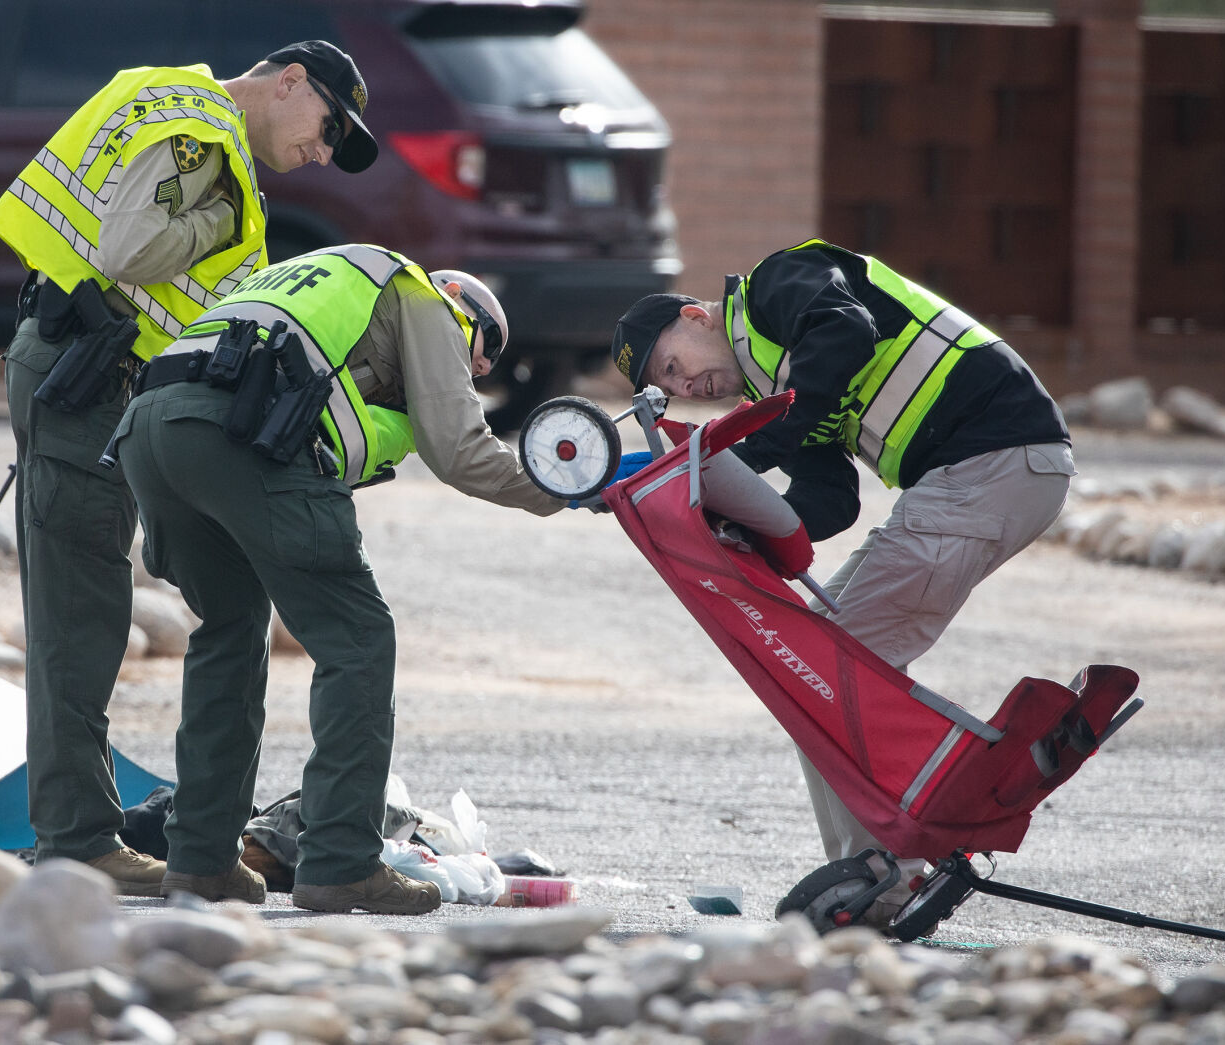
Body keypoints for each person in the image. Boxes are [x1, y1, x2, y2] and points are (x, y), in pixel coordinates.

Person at [0, 41, 379, 895]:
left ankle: (85, 833)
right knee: (81, 615)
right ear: (288, 83)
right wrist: (223, 222)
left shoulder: (150, 91)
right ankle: (79, 841)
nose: (321, 152)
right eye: (327, 127)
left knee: (81, 604)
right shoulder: (204, 136)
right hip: (85, 374)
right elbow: (128, 246)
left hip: (71, 360)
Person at [611, 238, 1075, 926]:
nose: (687, 387)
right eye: (671, 386)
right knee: (812, 668)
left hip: (994, 460)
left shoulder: (777, 283)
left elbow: (845, 330)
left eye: (674, 363)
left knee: (829, 668)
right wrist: (735, 527)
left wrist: (745, 451)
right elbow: (829, 499)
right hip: (979, 474)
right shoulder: (784, 383)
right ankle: (875, 872)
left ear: (696, 315)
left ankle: (884, 876)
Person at [110, 244, 566, 913]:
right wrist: (567, 488)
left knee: (229, 632)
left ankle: (200, 860)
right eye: (476, 359)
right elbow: (461, 450)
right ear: (464, 318)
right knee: (357, 638)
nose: (470, 373)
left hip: (150, 432)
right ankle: (341, 862)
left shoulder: (316, 289)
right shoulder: (424, 299)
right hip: (235, 433)